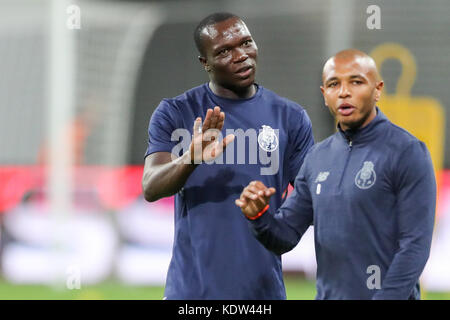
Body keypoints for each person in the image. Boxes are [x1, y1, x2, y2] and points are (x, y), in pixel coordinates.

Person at [236, 49, 436, 300]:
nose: (344, 92)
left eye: (356, 82)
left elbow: (415, 246)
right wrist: (259, 216)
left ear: (378, 89)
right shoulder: (317, 158)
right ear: (324, 95)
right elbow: (285, 235)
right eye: (334, 84)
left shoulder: (408, 152)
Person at [141, 12, 314, 299]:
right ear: (205, 63)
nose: (241, 56)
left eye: (246, 43)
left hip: (263, 293)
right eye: (224, 51)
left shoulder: (290, 118)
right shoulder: (175, 112)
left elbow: (309, 200)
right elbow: (150, 187)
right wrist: (190, 158)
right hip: (191, 293)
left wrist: (272, 220)